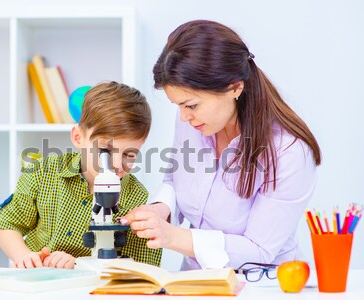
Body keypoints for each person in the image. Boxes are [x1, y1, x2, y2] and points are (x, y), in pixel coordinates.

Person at [121, 20, 322, 271]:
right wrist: (161, 210)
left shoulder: (289, 151)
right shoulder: (192, 120)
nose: (184, 116)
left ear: (235, 87)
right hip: (195, 282)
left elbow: (259, 250)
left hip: (261, 286)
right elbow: (175, 179)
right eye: (178, 106)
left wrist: (173, 237)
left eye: (191, 105)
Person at [0, 81, 161, 269]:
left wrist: (78, 264)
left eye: (129, 155)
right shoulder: (42, 173)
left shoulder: (136, 196)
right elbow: (7, 224)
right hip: (39, 279)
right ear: (78, 138)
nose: (115, 165)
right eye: (105, 151)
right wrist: (23, 256)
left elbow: (142, 266)